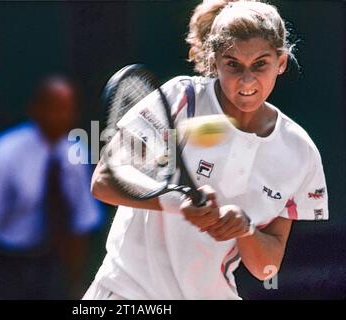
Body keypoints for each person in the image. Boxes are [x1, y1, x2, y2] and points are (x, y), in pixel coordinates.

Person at [84, 0, 328, 300]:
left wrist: (245, 228)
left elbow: (267, 269)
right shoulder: (181, 98)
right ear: (215, 61)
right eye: (233, 64)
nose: (247, 81)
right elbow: (104, 181)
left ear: (280, 62)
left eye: (260, 64)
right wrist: (177, 202)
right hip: (126, 292)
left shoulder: (300, 152)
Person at [0, 76, 103, 299]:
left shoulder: (77, 154)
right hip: (5, 263)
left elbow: (80, 227)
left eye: (67, 109)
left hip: (50, 263)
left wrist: (75, 284)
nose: (62, 116)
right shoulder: (3, 154)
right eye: (54, 108)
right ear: (35, 109)